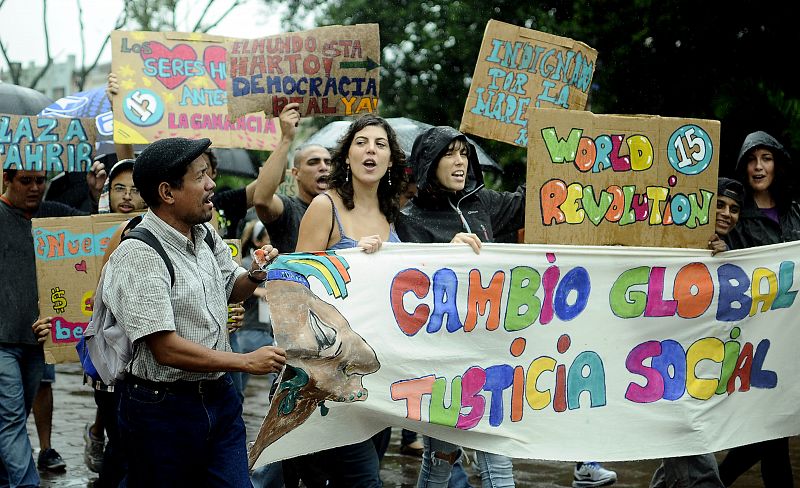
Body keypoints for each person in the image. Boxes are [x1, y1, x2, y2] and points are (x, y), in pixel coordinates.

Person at [101, 136, 286, 486]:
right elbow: (165, 348)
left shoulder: (205, 234)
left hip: (220, 400)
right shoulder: (138, 254)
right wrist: (246, 361)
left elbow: (232, 288)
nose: (211, 183)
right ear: (168, 193)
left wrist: (256, 273)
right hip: (161, 411)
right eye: (200, 176)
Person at [396, 125, 525, 488]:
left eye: (464, 153)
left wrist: (552, 144)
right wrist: (441, 255)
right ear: (428, 163)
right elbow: (401, 285)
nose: (459, 162)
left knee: (495, 461)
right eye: (449, 153)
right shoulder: (408, 220)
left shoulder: (483, 204)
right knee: (441, 462)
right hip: (440, 363)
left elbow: (541, 198)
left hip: (488, 355)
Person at [294, 113, 408, 487]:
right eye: (361, 143)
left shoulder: (395, 216)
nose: (371, 150)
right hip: (332, 376)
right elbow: (296, 287)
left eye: (380, 144)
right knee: (363, 480)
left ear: (391, 159)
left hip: (379, 376)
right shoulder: (324, 207)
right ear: (346, 157)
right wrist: (349, 261)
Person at [648, 177, 745, 488]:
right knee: (702, 478)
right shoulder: (672, 244)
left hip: (699, 380)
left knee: (674, 475)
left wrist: (726, 257)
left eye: (734, 209)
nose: (727, 213)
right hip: (670, 380)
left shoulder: (737, 254)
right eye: (719, 204)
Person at [718, 131, 798, 487]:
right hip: (756, 337)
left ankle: (715, 481)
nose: (758, 166)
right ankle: (715, 480)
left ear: (777, 164)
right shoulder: (735, 215)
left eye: (765, 158)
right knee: (773, 427)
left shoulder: (795, 211)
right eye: (752, 159)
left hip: (790, 336)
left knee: (774, 429)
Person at [0, 168, 88, 486]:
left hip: (38, 341)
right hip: (2, 341)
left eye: (41, 180)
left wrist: (98, 188)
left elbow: (96, 228)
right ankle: (27, 484)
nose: (35, 188)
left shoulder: (52, 215)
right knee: (10, 420)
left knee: (16, 415)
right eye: (26, 181)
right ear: (7, 180)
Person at [253, 102, 331, 254]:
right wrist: (286, 138)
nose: (323, 167)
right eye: (313, 162)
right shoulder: (288, 209)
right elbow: (261, 200)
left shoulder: (342, 210)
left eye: (328, 162)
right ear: (296, 173)